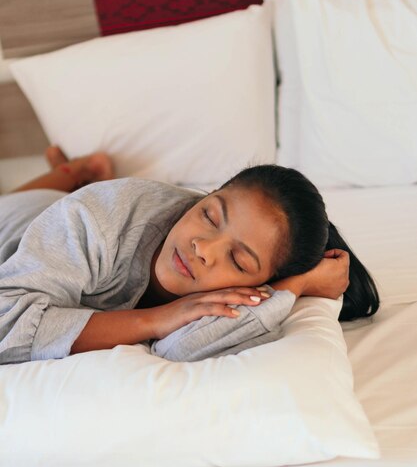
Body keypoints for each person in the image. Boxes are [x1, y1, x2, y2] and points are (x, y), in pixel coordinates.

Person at [0, 146, 379, 365]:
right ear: (208, 193)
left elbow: (183, 348)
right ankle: (77, 170)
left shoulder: (263, 282)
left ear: (261, 282)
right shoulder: (96, 216)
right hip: (19, 223)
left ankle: (80, 171)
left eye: (239, 261)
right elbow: (7, 325)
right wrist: (158, 318)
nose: (204, 248)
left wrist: (297, 285)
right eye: (209, 215)